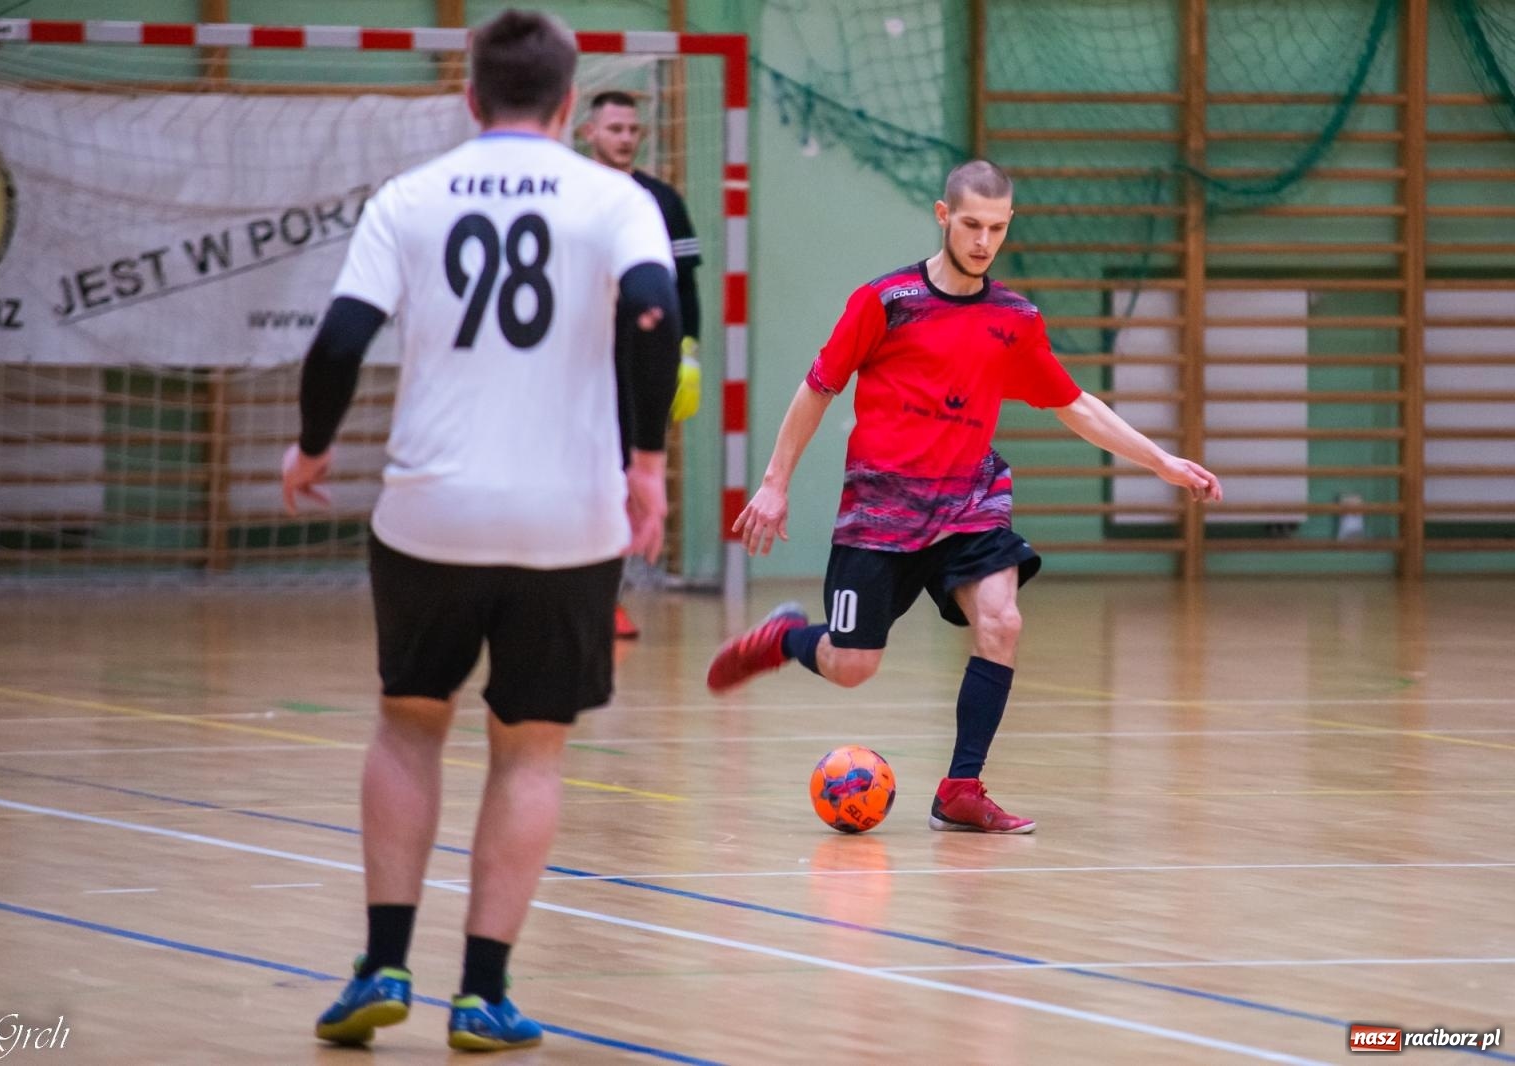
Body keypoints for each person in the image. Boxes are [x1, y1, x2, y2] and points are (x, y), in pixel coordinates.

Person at [283, 9, 681, 1051]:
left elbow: (337, 338)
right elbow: (654, 313)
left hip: (431, 512)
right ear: (566, 103)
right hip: (569, 516)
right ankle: (481, 991)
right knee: (529, 749)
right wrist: (646, 463)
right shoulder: (616, 197)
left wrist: (312, 446)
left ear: (469, 97)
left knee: (410, 723)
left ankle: (378, 964)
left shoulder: (409, 197)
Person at [706, 160, 1222, 834]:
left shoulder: (1014, 318)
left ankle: (961, 788)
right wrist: (775, 485)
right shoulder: (885, 301)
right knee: (852, 665)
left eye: (998, 228)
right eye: (972, 224)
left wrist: (1160, 461)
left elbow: (1073, 403)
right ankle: (787, 639)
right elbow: (818, 389)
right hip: (882, 510)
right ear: (944, 217)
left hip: (968, 502)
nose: (984, 240)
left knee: (1002, 622)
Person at [581, 89, 703, 639]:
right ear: (588, 132)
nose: (626, 138)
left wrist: (688, 351)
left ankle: (608, 598)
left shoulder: (662, 200)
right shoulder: (574, 194)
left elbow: (686, 285)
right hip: (580, 363)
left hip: (641, 363)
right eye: (615, 129)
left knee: (626, 482)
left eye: (633, 129)